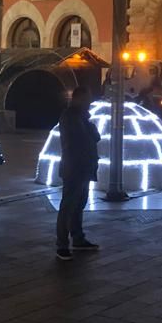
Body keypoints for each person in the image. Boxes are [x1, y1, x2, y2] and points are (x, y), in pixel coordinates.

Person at [56, 86, 101, 260]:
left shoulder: (82, 117)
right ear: (79, 98)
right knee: (68, 206)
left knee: (79, 204)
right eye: (88, 99)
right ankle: (62, 244)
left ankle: (78, 238)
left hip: (84, 167)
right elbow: (86, 138)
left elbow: (95, 137)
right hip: (74, 168)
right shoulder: (70, 117)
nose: (90, 102)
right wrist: (91, 129)